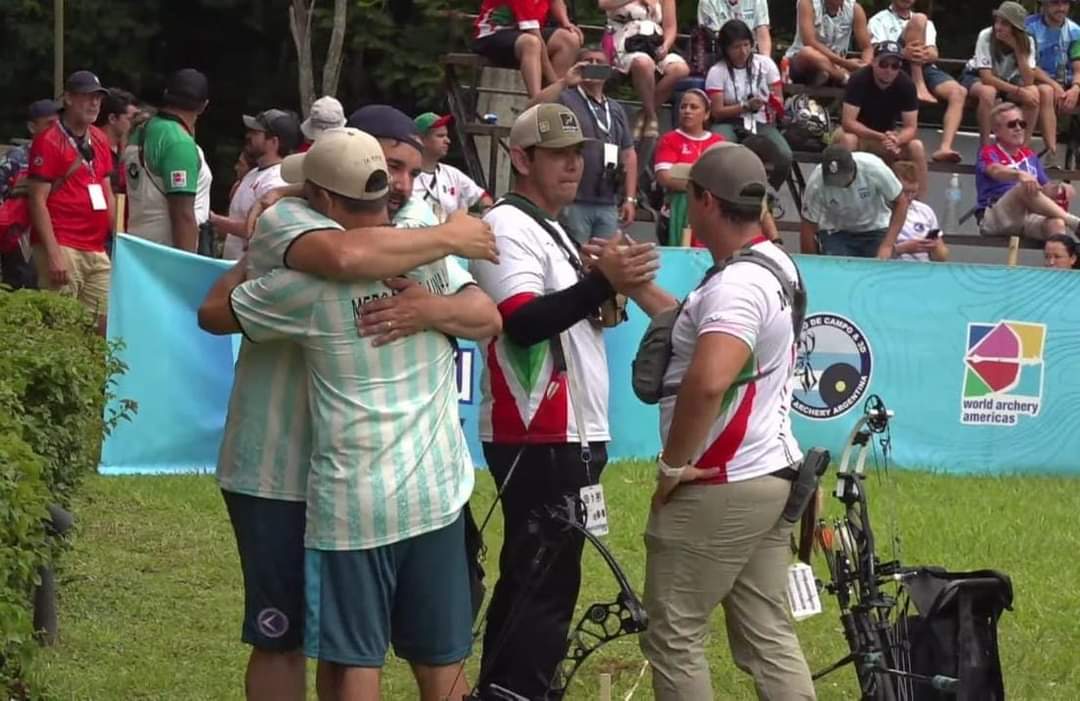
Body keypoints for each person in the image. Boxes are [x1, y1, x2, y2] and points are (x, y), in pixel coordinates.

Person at [198, 127, 501, 701]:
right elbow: (345, 254)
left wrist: (429, 307)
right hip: (288, 473)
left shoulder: (394, 246)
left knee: (348, 656)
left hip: (354, 494)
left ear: (325, 196)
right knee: (298, 640)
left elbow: (213, 312)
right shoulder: (314, 234)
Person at [469, 103, 661, 700]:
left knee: (546, 577)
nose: (573, 166)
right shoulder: (507, 225)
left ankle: (518, 688)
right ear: (520, 158)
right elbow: (523, 322)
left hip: (569, 430)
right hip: (538, 428)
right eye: (557, 155)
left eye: (578, 154)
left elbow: (574, 316)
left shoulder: (551, 225)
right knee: (540, 580)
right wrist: (603, 282)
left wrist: (606, 291)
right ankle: (517, 690)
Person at [639, 143, 814, 701]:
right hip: (771, 475)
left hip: (722, 482)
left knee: (673, 634)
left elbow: (709, 380)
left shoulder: (738, 285)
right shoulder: (772, 265)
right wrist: (636, 288)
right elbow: (701, 327)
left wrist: (674, 465)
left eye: (688, 194)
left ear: (705, 202)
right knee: (767, 635)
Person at [26, 70, 114, 335]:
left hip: (96, 248)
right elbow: (37, 200)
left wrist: (120, 241)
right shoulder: (48, 140)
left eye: (98, 98)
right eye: (87, 96)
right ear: (68, 99)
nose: (94, 103)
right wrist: (53, 253)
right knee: (61, 328)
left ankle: (94, 376)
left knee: (102, 327)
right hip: (63, 244)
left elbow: (107, 192)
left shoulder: (99, 138)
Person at [529, 47, 638, 243]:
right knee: (575, 258)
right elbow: (533, 109)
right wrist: (564, 82)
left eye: (599, 63)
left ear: (609, 70)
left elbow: (628, 154)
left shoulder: (615, 108)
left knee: (603, 263)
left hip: (608, 201)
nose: (594, 66)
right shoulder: (566, 98)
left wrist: (630, 198)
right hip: (574, 200)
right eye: (588, 61)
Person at [124, 68, 214, 252]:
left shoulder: (142, 129)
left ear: (166, 94)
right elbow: (183, 215)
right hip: (165, 255)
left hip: (138, 248)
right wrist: (185, 266)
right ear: (203, 106)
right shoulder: (178, 142)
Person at [868, 0, 968, 163]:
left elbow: (934, 51)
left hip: (925, 66)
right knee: (918, 20)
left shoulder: (929, 24)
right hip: (894, 66)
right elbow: (876, 51)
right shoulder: (878, 20)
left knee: (959, 92)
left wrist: (924, 54)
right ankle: (918, 84)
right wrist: (902, 52)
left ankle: (945, 147)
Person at [962, 2, 1056, 162]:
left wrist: (1018, 50)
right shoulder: (986, 35)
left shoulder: (1028, 41)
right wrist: (1018, 92)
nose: (998, 27)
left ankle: (1021, 150)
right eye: (997, 21)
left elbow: (1028, 80)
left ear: (1015, 28)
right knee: (988, 92)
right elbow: (986, 77)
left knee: (1033, 92)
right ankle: (985, 149)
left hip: (1010, 81)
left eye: (1004, 23)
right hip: (979, 77)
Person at [835, 41, 928, 198]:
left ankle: (920, 206)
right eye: (883, 64)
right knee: (848, 139)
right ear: (873, 62)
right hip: (859, 135)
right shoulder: (859, 79)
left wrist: (897, 140)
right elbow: (848, 122)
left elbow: (911, 127)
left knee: (916, 146)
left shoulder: (906, 84)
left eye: (895, 66)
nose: (889, 70)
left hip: (887, 137)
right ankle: (841, 195)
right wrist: (881, 136)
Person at [976, 102, 1080, 241]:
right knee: (1024, 186)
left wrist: (1059, 188)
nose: (1018, 128)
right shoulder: (988, 152)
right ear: (997, 131)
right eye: (1012, 124)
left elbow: (1044, 189)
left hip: (1027, 216)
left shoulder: (1029, 155)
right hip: (995, 217)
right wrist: (1019, 175)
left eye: (1022, 124)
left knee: (1056, 223)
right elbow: (994, 170)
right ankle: (1075, 223)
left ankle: (1061, 260)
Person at [213, 109, 302, 259]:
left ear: (274, 142)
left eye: (256, 133)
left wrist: (214, 220)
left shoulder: (277, 180)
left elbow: (258, 229)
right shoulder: (254, 173)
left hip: (251, 270)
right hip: (232, 265)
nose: (248, 136)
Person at [706, 19, 791, 170]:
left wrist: (772, 102)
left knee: (784, 155)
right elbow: (717, 112)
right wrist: (744, 107)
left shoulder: (766, 64)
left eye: (746, 45)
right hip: (729, 122)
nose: (743, 51)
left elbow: (778, 99)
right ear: (725, 49)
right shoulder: (717, 71)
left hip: (760, 122)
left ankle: (763, 187)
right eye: (736, 47)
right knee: (719, 151)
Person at [800, 144, 909, 259]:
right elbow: (808, 224)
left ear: (853, 169)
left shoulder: (874, 168)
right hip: (836, 231)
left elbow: (901, 202)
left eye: (843, 180)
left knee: (879, 267)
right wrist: (811, 261)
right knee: (836, 268)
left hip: (875, 227)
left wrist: (887, 245)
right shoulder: (816, 182)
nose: (839, 184)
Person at [600, 0, 690, 138]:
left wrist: (665, 46)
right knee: (644, 63)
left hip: (654, 43)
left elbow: (670, 27)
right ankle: (652, 117)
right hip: (624, 43)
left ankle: (643, 114)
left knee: (680, 69)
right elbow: (603, 4)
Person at [0, 98, 59, 289]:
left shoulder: (66, 155)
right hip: (21, 238)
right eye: (49, 124)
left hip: (59, 236)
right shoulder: (18, 158)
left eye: (58, 124)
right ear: (32, 127)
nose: (55, 130)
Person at [654, 89, 725, 246]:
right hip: (678, 208)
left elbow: (723, 178)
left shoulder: (718, 142)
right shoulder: (669, 140)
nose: (687, 111)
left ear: (706, 114)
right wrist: (702, 186)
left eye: (694, 107)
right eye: (683, 107)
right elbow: (665, 177)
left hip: (709, 212)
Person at [472, 0, 583, 99]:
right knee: (532, 43)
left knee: (569, 39)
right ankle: (537, 101)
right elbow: (535, 36)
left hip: (524, 32)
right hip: (492, 33)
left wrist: (566, 22)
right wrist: (555, 81)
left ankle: (555, 99)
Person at [413, 112, 493, 223]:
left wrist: (485, 215)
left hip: (452, 238)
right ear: (421, 140)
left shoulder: (452, 174)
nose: (448, 141)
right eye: (440, 136)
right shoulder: (405, 176)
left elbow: (483, 198)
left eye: (446, 135)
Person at [785, 0, 873, 87]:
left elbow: (867, 48)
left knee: (860, 64)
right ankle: (845, 77)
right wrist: (844, 63)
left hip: (835, 66)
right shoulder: (807, 3)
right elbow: (809, 41)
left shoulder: (855, 9)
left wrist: (864, 67)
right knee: (807, 52)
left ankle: (834, 75)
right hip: (804, 64)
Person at [1028, 0, 1080, 118]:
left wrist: (1076, 88)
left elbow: (1078, 68)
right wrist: (1055, 86)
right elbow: (1028, 64)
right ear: (1044, 4)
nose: (1061, 8)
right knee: (1047, 91)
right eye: (1055, 3)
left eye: (1065, 3)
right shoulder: (1028, 27)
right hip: (1036, 80)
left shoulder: (1076, 31)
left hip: (1067, 83)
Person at [892, 160, 949, 261]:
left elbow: (942, 257)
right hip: (890, 270)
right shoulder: (880, 212)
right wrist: (901, 249)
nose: (909, 197)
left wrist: (934, 247)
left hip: (924, 271)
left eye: (913, 192)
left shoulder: (925, 211)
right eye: (905, 192)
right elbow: (873, 255)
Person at [94, 88, 137, 195]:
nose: (134, 124)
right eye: (130, 119)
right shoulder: (92, 148)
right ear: (112, 118)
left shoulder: (126, 149)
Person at [697, 0, 772, 58]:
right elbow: (716, 37)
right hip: (721, 56)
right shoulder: (706, 2)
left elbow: (763, 33)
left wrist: (766, 63)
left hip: (752, 56)